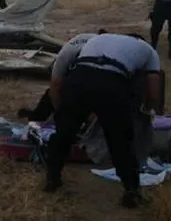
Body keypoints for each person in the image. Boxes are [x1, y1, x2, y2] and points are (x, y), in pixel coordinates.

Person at [44, 33, 162, 209]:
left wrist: (62, 115)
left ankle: (52, 179)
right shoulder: (150, 52)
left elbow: (57, 85)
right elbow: (153, 92)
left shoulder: (98, 39)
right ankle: (131, 191)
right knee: (120, 141)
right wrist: (147, 109)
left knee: (64, 134)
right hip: (113, 83)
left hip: (79, 78)